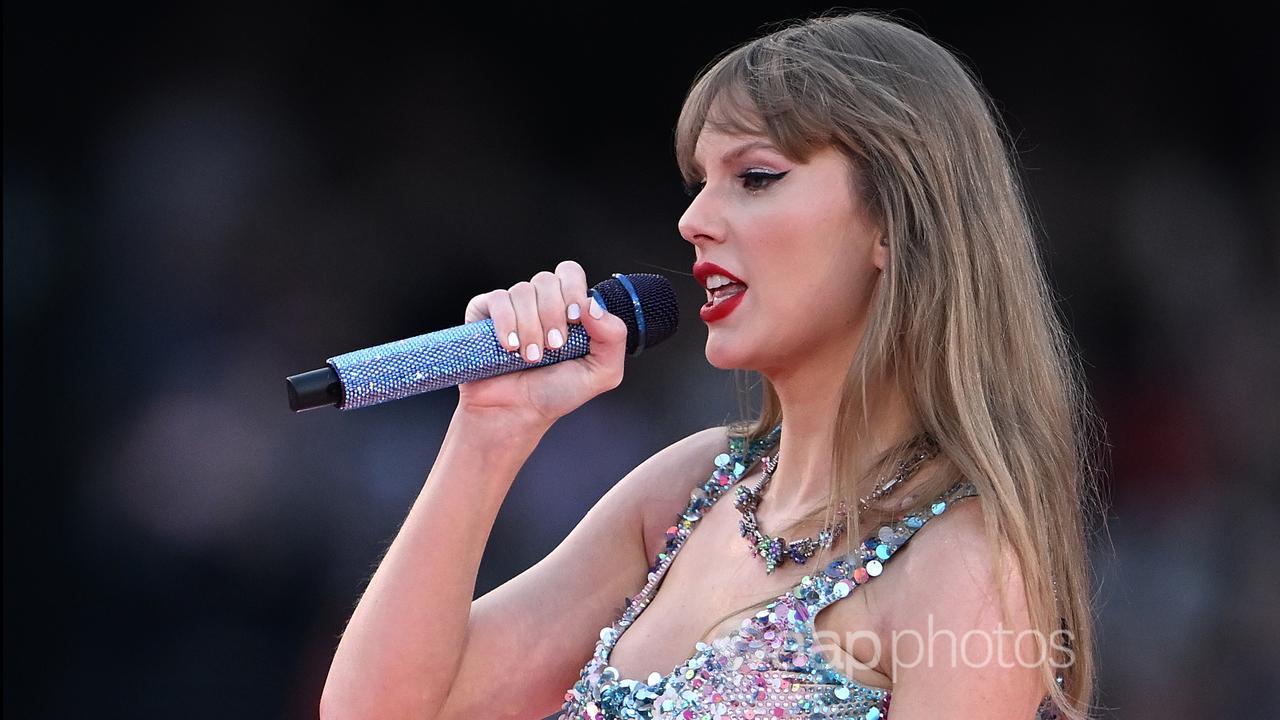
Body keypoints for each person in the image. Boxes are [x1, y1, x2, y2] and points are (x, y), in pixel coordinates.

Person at [319, 11, 1101, 720]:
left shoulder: (966, 566)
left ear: (896, 224)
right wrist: (490, 432)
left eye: (755, 178)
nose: (693, 221)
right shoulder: (685, 490)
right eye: (700, 184)